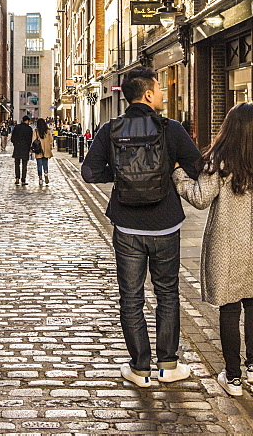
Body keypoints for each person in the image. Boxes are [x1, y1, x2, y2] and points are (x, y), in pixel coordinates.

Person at [81, 67, 201, 388]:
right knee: (167, 294)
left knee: (131, 298)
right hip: (165, 226)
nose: (162, 94)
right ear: (148, 94)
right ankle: (168, 364)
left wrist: (120, 177)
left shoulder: (110, 129)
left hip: (128, 226)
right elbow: (197, 166)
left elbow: (90, 173)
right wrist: (170, 171)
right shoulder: (171, 129)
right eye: (160, 89)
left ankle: (140, 368)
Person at [172, 102, 253, 397]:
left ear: (229, 128)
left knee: (230, 307)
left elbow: (199, 197)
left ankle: (233, 377)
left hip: (228, 243)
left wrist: (179, 177)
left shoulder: (219, 162)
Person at [10, 115, 34, 186]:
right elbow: (30, 140)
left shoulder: (17, 127)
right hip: (25, 148)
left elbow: (12, 138)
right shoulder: (29, 129)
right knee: (24, 165)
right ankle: (23, 180)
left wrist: (15, 144)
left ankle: (17, 178)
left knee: (17, 164)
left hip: (17, 147)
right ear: (27, 121)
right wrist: (29, 147)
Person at [33, 118, 54, 186]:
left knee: (39, 164)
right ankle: (46, 174)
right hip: (46, 150)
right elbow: (51, 140)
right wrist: (50, 147)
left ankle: (40, 179)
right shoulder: (47, 131)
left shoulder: (36, 131)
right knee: (45, 163)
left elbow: (33, 140)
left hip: (38, 150)